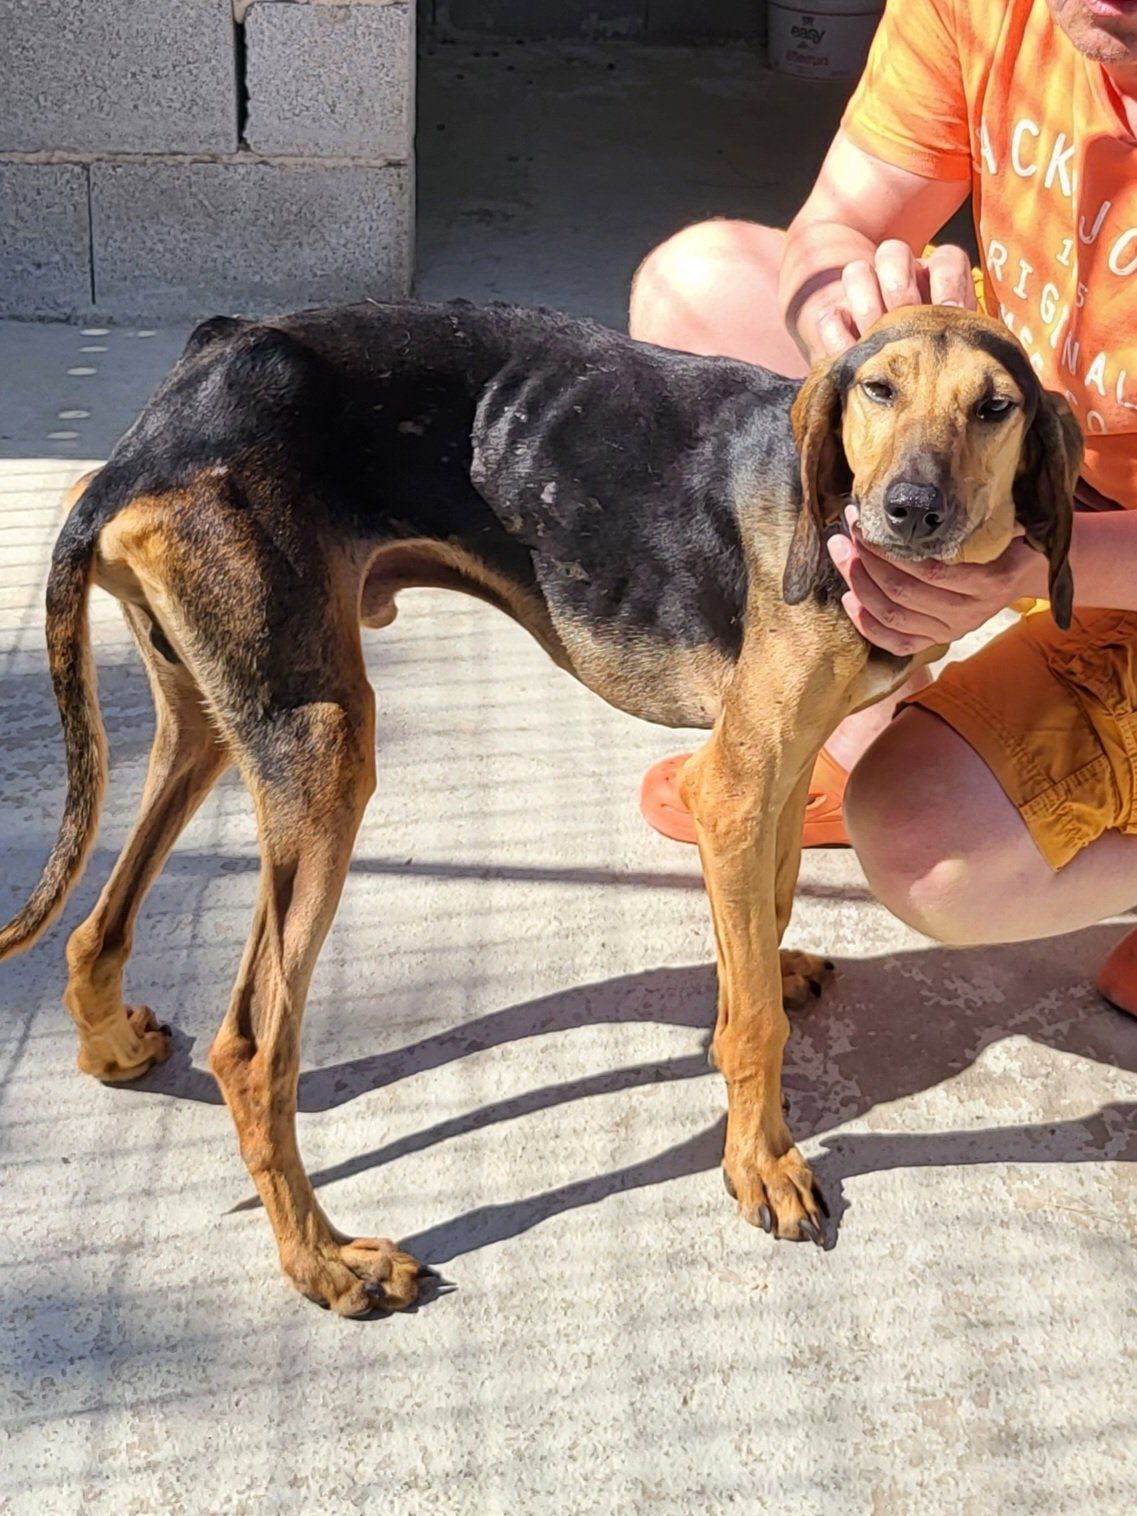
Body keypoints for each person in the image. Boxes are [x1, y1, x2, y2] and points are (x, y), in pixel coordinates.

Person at [632, 0, 1137, 1013]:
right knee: (695, 293)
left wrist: (1034, 562)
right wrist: (846, 322)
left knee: (926, 847)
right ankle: (834, 717)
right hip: (1030, 459)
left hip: (1094, 546)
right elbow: (840, 224)